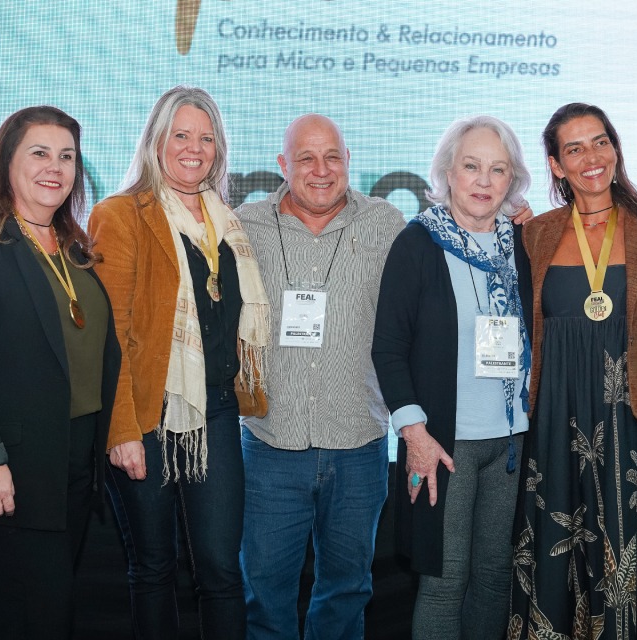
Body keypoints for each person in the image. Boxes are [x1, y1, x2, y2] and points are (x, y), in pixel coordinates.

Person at [0, 106, 121, 640]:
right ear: (6, 162)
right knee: (38, 622)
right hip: (4, 470)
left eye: (67, 156)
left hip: (71, 468)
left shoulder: (77, 249)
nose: (54, 166)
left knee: (43, 620)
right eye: (39, 152)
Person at [509, 103, 637, 639]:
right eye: (574, 148)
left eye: (600, 142)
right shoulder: (534, 235)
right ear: (555, 165)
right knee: (556, 554)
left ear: (615, 149)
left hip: (635, 420)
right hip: (555, 421)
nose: (590, 157)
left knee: (635, 557)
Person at [88, 86, 269, 640]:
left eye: (206, 137)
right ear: (156, 142)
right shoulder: (120, 215)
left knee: (220, 570)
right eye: (181, 135)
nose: (195, 148)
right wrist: (121, 431)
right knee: (154, 569)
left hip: (213, 411)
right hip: (145, 416)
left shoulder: (227, 222)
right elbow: (110, 336)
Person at [235, 114, 407, 639]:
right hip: (270, 443)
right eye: (305, 158)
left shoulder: (386, 223)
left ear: (348, 161)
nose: (321, 169)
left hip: (358, 442)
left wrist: (518, 217)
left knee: (347, 591)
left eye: (332, 156)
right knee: (264, 592)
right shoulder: (244, 223)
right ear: (283, 165)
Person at [371, 116, 533, 639]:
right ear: (446, 172)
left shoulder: (525, 248)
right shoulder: (416, 243)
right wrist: (413, 433)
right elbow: (388, 348)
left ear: (513, 180)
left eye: (497, 169)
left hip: (511, 444)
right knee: (443, 582)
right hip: (443, 444)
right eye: (471, 166)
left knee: (493, 579)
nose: (484, 181)